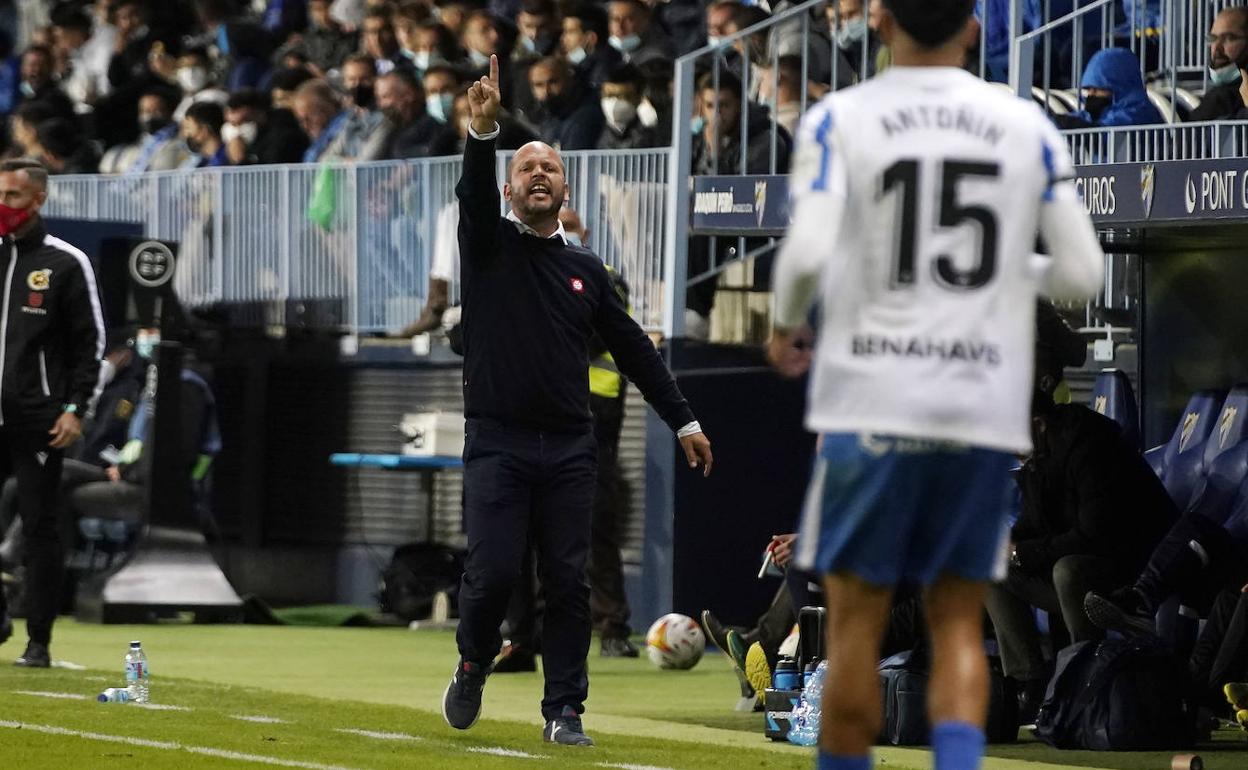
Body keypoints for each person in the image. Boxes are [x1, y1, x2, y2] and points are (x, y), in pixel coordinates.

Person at [766, 2, 1104, 769]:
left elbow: (804, 256)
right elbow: (1084, 273)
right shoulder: (1021, 127)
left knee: (855, 621)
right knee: (957, 621)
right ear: (974, 30)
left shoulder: (840, 119)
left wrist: (787, 325)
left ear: (879, 26)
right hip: (971, 409)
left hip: (871, 402)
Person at [441, 55, 712, 747]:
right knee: (494, 573)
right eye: (526, 168)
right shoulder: (488, 249)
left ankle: (564, 710)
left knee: (568, 583)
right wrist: (482, 133)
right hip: (497, 440)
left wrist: (682, 417)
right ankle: (474, 659)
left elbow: (636, 352)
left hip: (568, 446)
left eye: (550, 169)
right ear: (508, 191)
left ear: (566, 191)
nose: (538, 174)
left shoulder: (589, 271)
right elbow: (471, 196)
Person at [0, 158, 105, 668]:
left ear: (38, 199)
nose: (4, 205)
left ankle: (38, 640)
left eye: (13, 197)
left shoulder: (65, 262)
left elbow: (92, 344)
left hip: (38, 419)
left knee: (40, 526)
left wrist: (74, 409)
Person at [1061, 48, 1162, 128]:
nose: (1091, 94)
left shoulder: (1138, 110)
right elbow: (1082, 119)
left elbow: (1105, 133)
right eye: (1088, 89)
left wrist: (1078, 126)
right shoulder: (1100, 114)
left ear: (1115, 86)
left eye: (1096, 89)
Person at [99, 88, 192, 175]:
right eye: (145, 111)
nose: (149, 116)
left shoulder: (182, 145)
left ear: (170, 112)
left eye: (156, 111)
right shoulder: (130, 150)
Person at [1191, 7, 1248, 121]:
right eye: (1213, 38)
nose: (1216, 48)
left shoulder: (1221, 98)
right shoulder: (1217, 98)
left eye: (1228, 38)